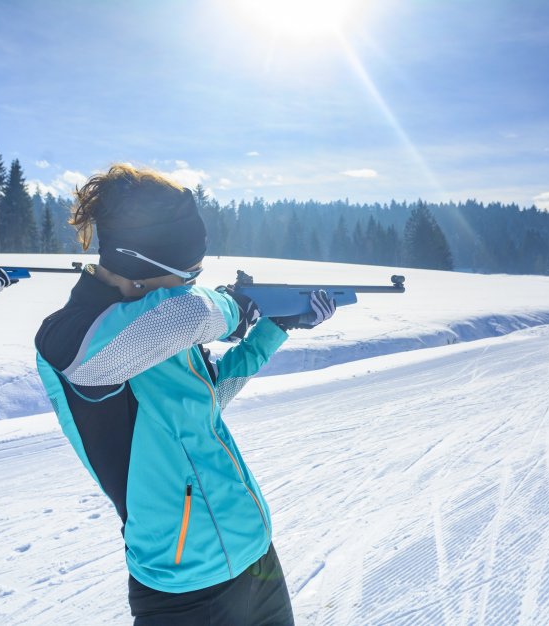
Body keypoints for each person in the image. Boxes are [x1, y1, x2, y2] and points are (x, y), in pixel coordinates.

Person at [35, 164, 336, 625]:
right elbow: (184, 315)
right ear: (143, 265)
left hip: (255, 555)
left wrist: (274, 328)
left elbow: (206, 401)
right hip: (182, 590)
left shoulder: (162, 321)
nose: (194, 283)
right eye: (188, 273)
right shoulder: (69, 337)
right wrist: (232, 305)